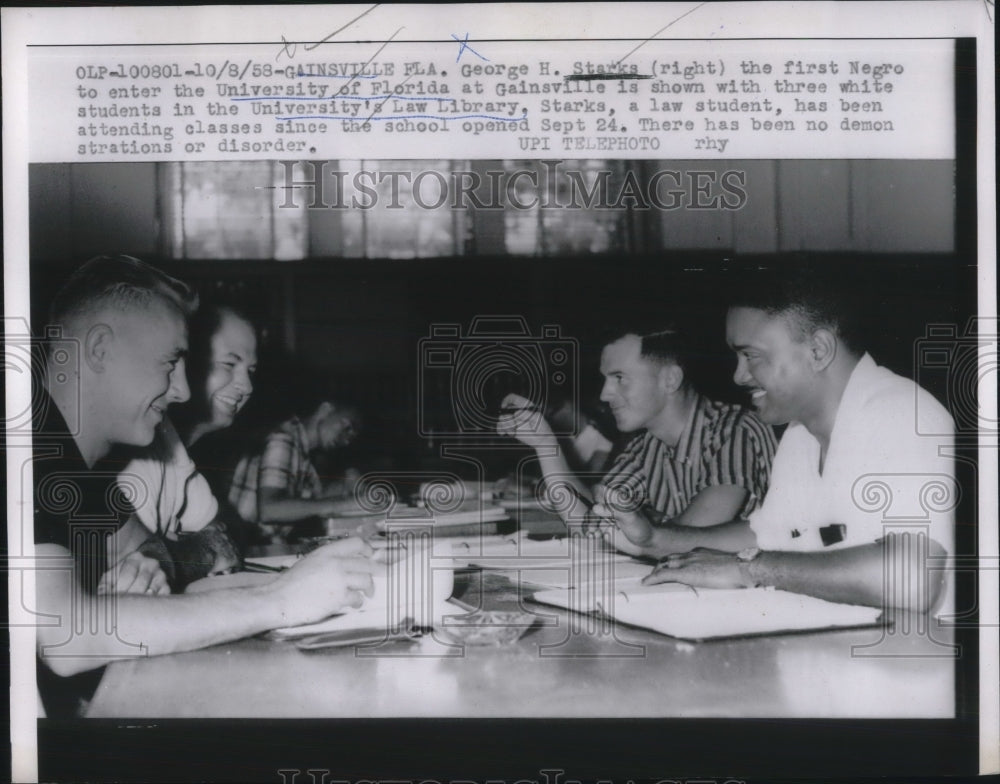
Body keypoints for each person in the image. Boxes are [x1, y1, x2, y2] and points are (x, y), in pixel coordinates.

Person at [33, 256, 377, 717]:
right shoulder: (25, 438)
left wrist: (152, 570)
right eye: (171, 361)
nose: (181, 390)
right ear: (99, 349)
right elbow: (67, 636)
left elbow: (153, 552)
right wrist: (283, 599)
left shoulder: (72, 463)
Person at [601, 267, 954, 613]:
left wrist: (748, 569)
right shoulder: (801, 434)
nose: (739, 375)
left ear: (817, 350)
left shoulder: (903, 414)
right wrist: (654, 539)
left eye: (751, 356)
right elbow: (766, 536)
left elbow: (912, 578)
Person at [497, 326, 777, 530]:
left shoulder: (736, 430)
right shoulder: (645, 445)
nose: (605, 394)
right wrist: (547, 446)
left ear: (669, 380)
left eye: (619, 378)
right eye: (605, 380)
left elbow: (694, 535)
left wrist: (636, 531)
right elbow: (590, 522)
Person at [115, 304, 258, 586]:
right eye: (230, 364)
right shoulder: (135, 448)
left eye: (251, 370)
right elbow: (135, 568)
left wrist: (197, 550)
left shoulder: (172, 445)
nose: (248, 386)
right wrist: (201, 551)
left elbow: (221, 539)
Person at [228, 394, 366, 540]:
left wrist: (346, 484)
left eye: (352, 436)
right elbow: (270, 509)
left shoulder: (303, 451)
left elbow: (312, 502)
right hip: (248, 542)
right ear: (325, 409)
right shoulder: (283, 439)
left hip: (262, 542)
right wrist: (343, 504)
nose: (347, 440)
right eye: (347, 426)